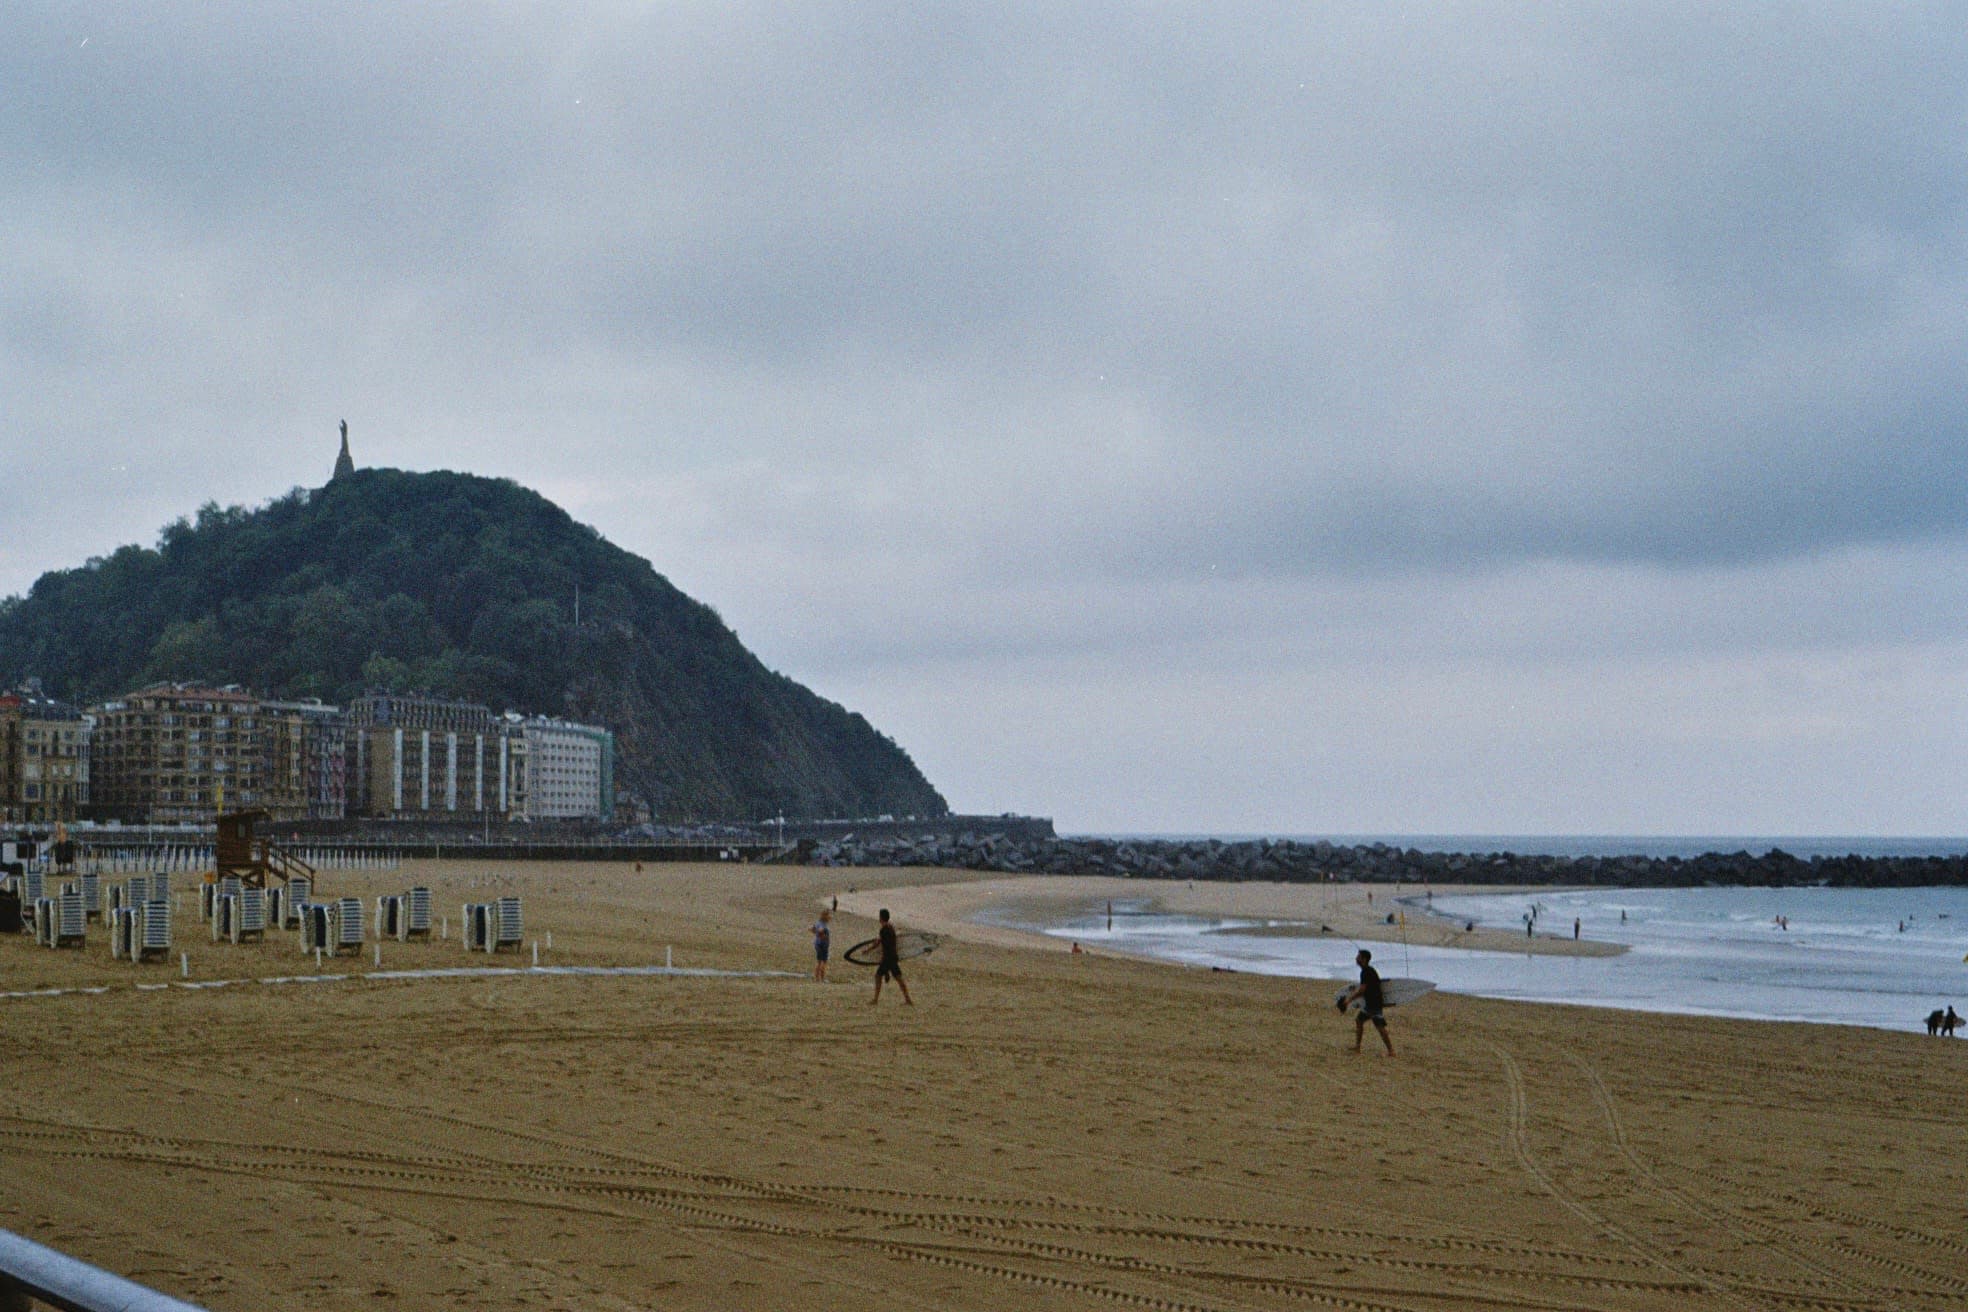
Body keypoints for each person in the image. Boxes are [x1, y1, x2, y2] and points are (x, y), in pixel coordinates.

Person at [1337, 948, 1394, 1055]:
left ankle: (1391, 1051)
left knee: (1379, 1026)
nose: (1356, 959)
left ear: (1364, 959)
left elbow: (1362, 990)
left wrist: (1349, 1000)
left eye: (1358, 957)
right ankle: (1357, 1047)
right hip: (1370, 1003)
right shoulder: (1368, 970)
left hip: (1374, 1003)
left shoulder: (1366, 972)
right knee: (1359, 1020)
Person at [870, 907, 913, 1006]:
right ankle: (908, 999)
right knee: (898, 977)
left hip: (888, 957)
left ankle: (875, 999)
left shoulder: (884, 929)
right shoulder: (891, 927)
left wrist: (867, 950)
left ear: (881, 918)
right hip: (893, 956)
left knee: (878, 976)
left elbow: (879, 943)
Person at [811, 909, 831, 982]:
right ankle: (822, 979)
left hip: (817, 943)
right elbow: (820, 930)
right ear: (825, 916)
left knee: (819, 961)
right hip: (823, 944)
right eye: (829, 915)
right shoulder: (823, 924)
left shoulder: (817, 923)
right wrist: (823, 936)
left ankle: (817, 978)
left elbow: (811, 929)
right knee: (824, 961)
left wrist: (817, 934)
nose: (830, 917)